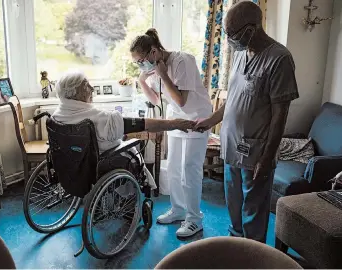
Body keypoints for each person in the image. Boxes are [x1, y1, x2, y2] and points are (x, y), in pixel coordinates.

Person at [194, 1, 299, 243]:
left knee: (253, 207)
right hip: (231, 145)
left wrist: (267, 156)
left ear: (252, 29)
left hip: (256, 151)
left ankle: (253, 254)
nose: (229, 39)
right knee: (234, 201)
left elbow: (280, 113)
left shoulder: (279, 59)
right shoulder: (241, 55)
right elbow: (233, 99)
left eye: (232, 33)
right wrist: (210, 119)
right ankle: (235, 245)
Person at [52, 70, 197, 188]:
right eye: (86, 85)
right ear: (76, 92)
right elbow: (144, 124)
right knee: (134, 155)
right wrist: (174, 124)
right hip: (97, 167)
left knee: (122, 138)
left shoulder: (57, 116)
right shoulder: (97, 119)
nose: (92, 89)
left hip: (71, 165)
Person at [130, 28, 212, 237]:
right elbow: (157, 100)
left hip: (196, 118)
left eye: (141, 60)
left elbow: (181, 100)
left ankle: (194, 219)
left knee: (190, 168)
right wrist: (142, 81)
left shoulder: (183, 60)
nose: (141, 65)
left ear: (154, 52)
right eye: (137, 63)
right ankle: (178, 209)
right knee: (174, 166)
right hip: (175, 119)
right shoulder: (154, 70)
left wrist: (164, 74)